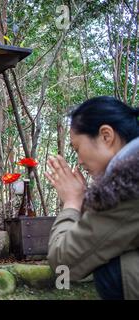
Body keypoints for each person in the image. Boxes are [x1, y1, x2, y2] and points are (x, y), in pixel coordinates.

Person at [45, 96, 139, 300]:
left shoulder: (130, 188)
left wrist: (72, 201)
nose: (78, 160)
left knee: (113, 266)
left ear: (106, 135)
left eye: (77, 148)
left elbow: (63, 264)